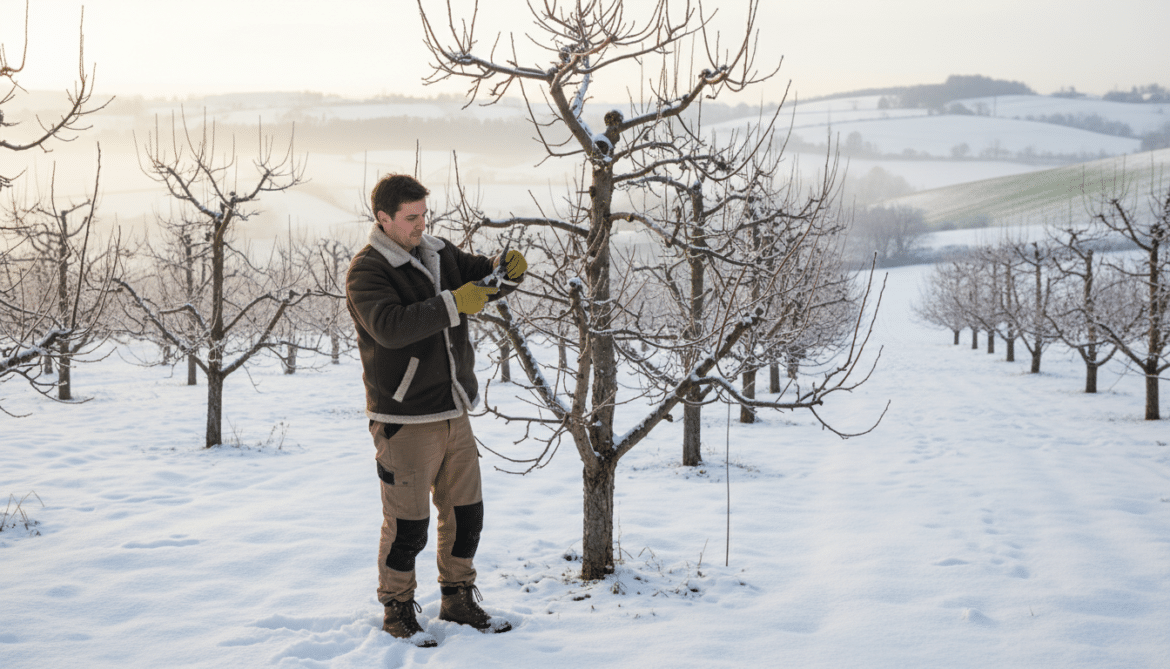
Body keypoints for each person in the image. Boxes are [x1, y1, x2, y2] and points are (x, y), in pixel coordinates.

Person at [345, 174, 526, 646]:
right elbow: (390, 326)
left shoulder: (439, 251)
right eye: (411, 218)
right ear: (383, 218)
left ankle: (458, 597)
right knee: (409, 526)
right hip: (404, 418)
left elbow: (478, 279)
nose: (421, 225)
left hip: (453, 409)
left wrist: (504, 271)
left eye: (425, 214)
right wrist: (453, 302)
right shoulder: (367, 271)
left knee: (467, 514)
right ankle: (398, 608)